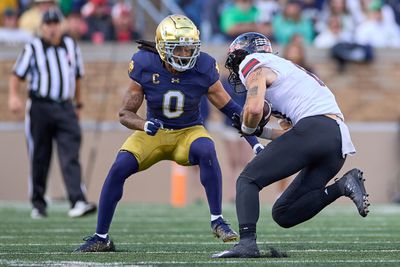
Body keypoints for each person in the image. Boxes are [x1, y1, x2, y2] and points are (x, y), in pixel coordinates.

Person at [74, 15, 263, 252]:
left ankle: (217, 220)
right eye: (179, 48)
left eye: (190, 48)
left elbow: (231, 110)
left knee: (206, 148)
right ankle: (101, 236)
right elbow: (125, 114)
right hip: (154, 132)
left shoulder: (204, 67)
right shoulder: (144, 64)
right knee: (119, 166)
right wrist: (143, 125)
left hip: (188, 132)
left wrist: (254, 143)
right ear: (163, 48)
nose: (186, 54)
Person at [212, 32, 370, 258]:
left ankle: (247, 243)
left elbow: (254, 110)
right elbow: (292, 134)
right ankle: (343, 185)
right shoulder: (288, 71)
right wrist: (261, 131)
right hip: (336, 140)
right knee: (284, 213)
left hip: (315, 128)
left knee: (247, 180)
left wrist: (247, 127)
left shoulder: (253, 62)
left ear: (243, 54)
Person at [8, 8, 96, 219]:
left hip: (65, 107)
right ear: (42, 27)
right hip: (40, 106)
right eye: (48, 24)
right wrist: (14, 97)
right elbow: (17, 75)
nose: (52, 28)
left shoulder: (71, 46)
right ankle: (38, 203)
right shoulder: (33, 47)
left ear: (61, 25)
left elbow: (77, 77)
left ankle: (77, 200)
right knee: (40, 155)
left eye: (55, 23)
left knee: (70, 154)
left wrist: (78, 105)